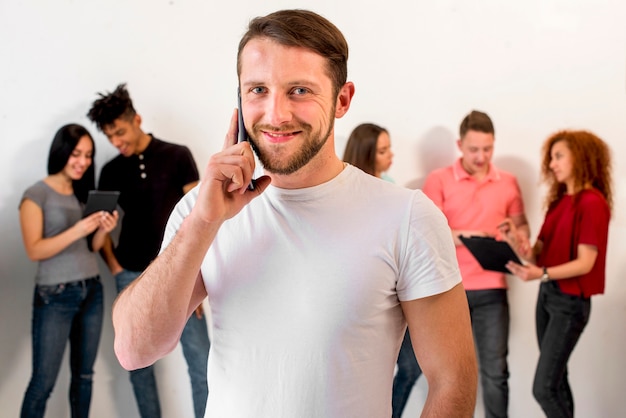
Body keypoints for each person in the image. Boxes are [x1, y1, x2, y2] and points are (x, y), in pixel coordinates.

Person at [112, 9, 477, 417]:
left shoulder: (408, 216)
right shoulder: (201, 212)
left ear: (342, 99)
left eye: (299, 90)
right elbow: (133, 349)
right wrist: (203, 222)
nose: (276, 114)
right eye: (257, 90)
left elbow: (452, 382)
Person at [86, 84, 210, 418]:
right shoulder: (110, 170)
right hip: (130, 276)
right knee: (137, 368)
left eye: (120, 132)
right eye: (110, 137)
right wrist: (113, 266)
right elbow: (97, 232)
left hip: (181, 277)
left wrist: (198, 279)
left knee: (202, 361)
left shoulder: (178, 155)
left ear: (137, 119)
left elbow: (200, 219)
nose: (116, 142)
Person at [422, 110, 530, 418]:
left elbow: (523, 230)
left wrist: (517, 235)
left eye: (488, 149)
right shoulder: (439, 180)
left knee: (496, 371)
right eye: (473, 149)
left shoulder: (508, 182)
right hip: (446, 289)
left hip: (493, 290)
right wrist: (464, 236)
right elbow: (427, 233)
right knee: (447, 376)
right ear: (460, 144)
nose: (481, 156)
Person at [502, 130, 612, 418]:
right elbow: (536, 253)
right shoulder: (559, 203)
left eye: (559, 156)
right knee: (556, 382)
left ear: (582, 156)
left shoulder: (592, 203)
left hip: (570, 303)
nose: (552, 164)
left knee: (544, 388)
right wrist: (516, 240)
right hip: (549, 296)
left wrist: (542, 273)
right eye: (551, 157)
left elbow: (585, 262)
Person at [19, 124, 118, 418]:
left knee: (84, 377)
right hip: (55, 296)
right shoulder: (35, 195)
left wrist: (102, 231)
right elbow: (34, 250)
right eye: (76, 154)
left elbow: (91, 246)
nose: (83, 162)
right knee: (43, 383)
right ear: (62, 152)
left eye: (88, 155)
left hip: (92, 291)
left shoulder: (82, 194)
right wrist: (77, 229)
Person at [343, 122, 422, 416]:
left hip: (397, 290)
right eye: (383, 150)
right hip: (362, 293)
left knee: (411, 366)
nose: (391, 155)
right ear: (366, 154)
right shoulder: (343, 192)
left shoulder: (389, 185)